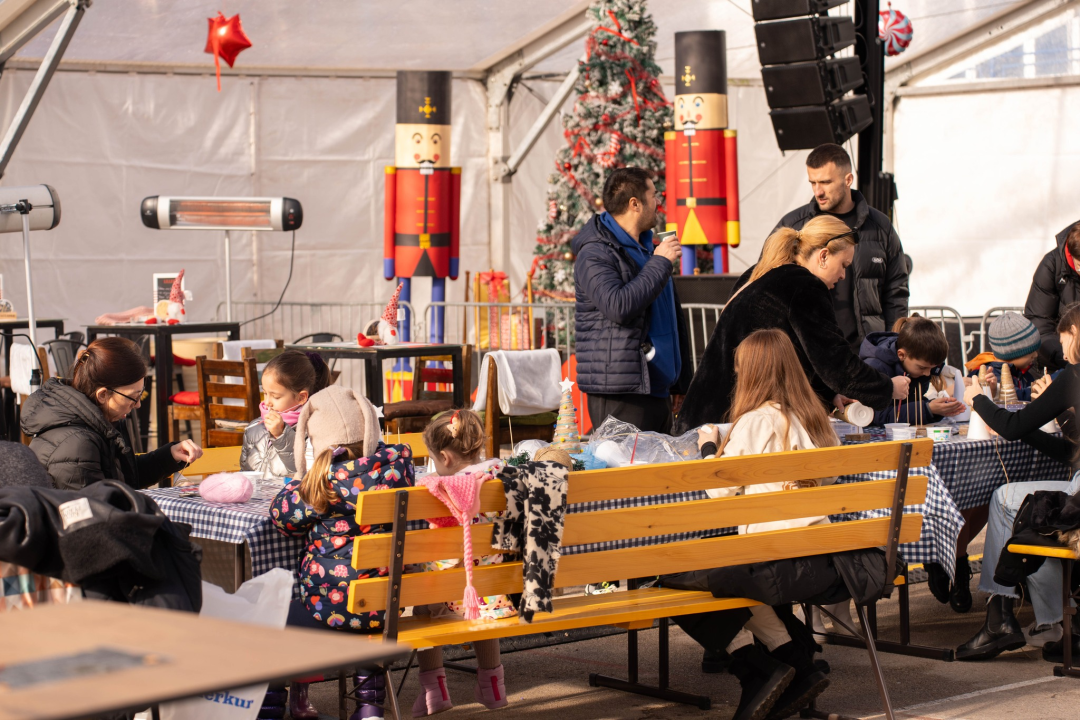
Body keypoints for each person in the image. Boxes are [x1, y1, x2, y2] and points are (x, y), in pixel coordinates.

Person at [675, 215, 909, 433]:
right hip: (728, 422)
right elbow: (835, 363)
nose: (842, 276)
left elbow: (804, 355)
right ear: (824, 255)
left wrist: (830, 395)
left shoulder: (764, 272)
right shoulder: (804, 286)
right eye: (844, 265)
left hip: (705, 417)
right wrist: (887, 388)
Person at [270, 385, 414, 720]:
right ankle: (368, 708)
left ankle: (268, 713)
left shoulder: (322, 482)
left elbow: (283, 519)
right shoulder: (400, 470)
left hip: (330, 611)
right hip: (389, 607)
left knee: (265, 626)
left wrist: (296, 482)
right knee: (366, 608)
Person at [955, 304, 1080, 662]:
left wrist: (977, 399)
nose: (1059, 342)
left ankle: (999, 617)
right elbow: (1070, 451)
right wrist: (1024, 433)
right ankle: (1053, 622)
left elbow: (1011, 426)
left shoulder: (1072, 376)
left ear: (1074, 334)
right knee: (1031, 519)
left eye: (1063, 335)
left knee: (1006, 499)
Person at [571, 166, 692, 433]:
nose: (658, 203)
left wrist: (679, 382)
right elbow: (618, 306)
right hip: (622, 393)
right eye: (654, 196)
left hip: (656, 390)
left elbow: (671, 316)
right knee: (623, 472)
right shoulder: (595, 253)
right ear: (635, 204)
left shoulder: (648, 248)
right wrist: (660, 262)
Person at [411, 409, 511, 716]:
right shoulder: (498, 475)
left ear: (445, 457)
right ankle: (493, 686)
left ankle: (434, 691)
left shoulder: (443, 490)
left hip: (451, 595)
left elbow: (444, 556)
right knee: (482, 609)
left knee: (421, 600)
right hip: (493, 593)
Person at [772, 143, 909, 350]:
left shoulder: (880, 227)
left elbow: (896, 292)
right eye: (813, 183)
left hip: (867, 352)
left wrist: (891, 346)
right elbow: (768, 281)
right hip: (811, 353)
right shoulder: (794, 225)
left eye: (826, 182)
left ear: (848, 179)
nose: (818, 191)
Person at [20, 337, 202, 490]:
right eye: (133, 397)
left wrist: (169, 455)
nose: (138, 405)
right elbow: (96, 519)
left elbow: (125, 477)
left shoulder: (96, 422)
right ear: (103, 395)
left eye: (141, 394)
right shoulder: (78, 444)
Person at [859, 316, 965, 426]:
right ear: (901, 355)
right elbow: (875, 415)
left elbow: (910, 403)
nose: (928, 373)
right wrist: (927, 409)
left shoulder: (915, 368)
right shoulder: (875, 367)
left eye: (932, 368)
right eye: (922, 368)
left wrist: (935, 407)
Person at [240, 349, 331, 478]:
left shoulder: (314, 430)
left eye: (275, 397)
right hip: (256, 497)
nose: (267, 402)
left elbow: (306, 477)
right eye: (265, 393)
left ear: (301, 398)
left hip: (291, 497)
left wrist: (281, 436)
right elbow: (245, 473)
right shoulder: (254, 428)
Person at [1025, 221, 1080, 372]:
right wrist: (1068, 354)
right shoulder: (1051, 265)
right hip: (1059, 364)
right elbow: (1040, 326)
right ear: (1071, 254)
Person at [965, 311, 1043, 403]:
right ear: (1013, 352)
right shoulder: (991, 376)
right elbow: (1015, 396)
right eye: (1030, 351)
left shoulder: (1022, 373)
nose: (1035, 355)